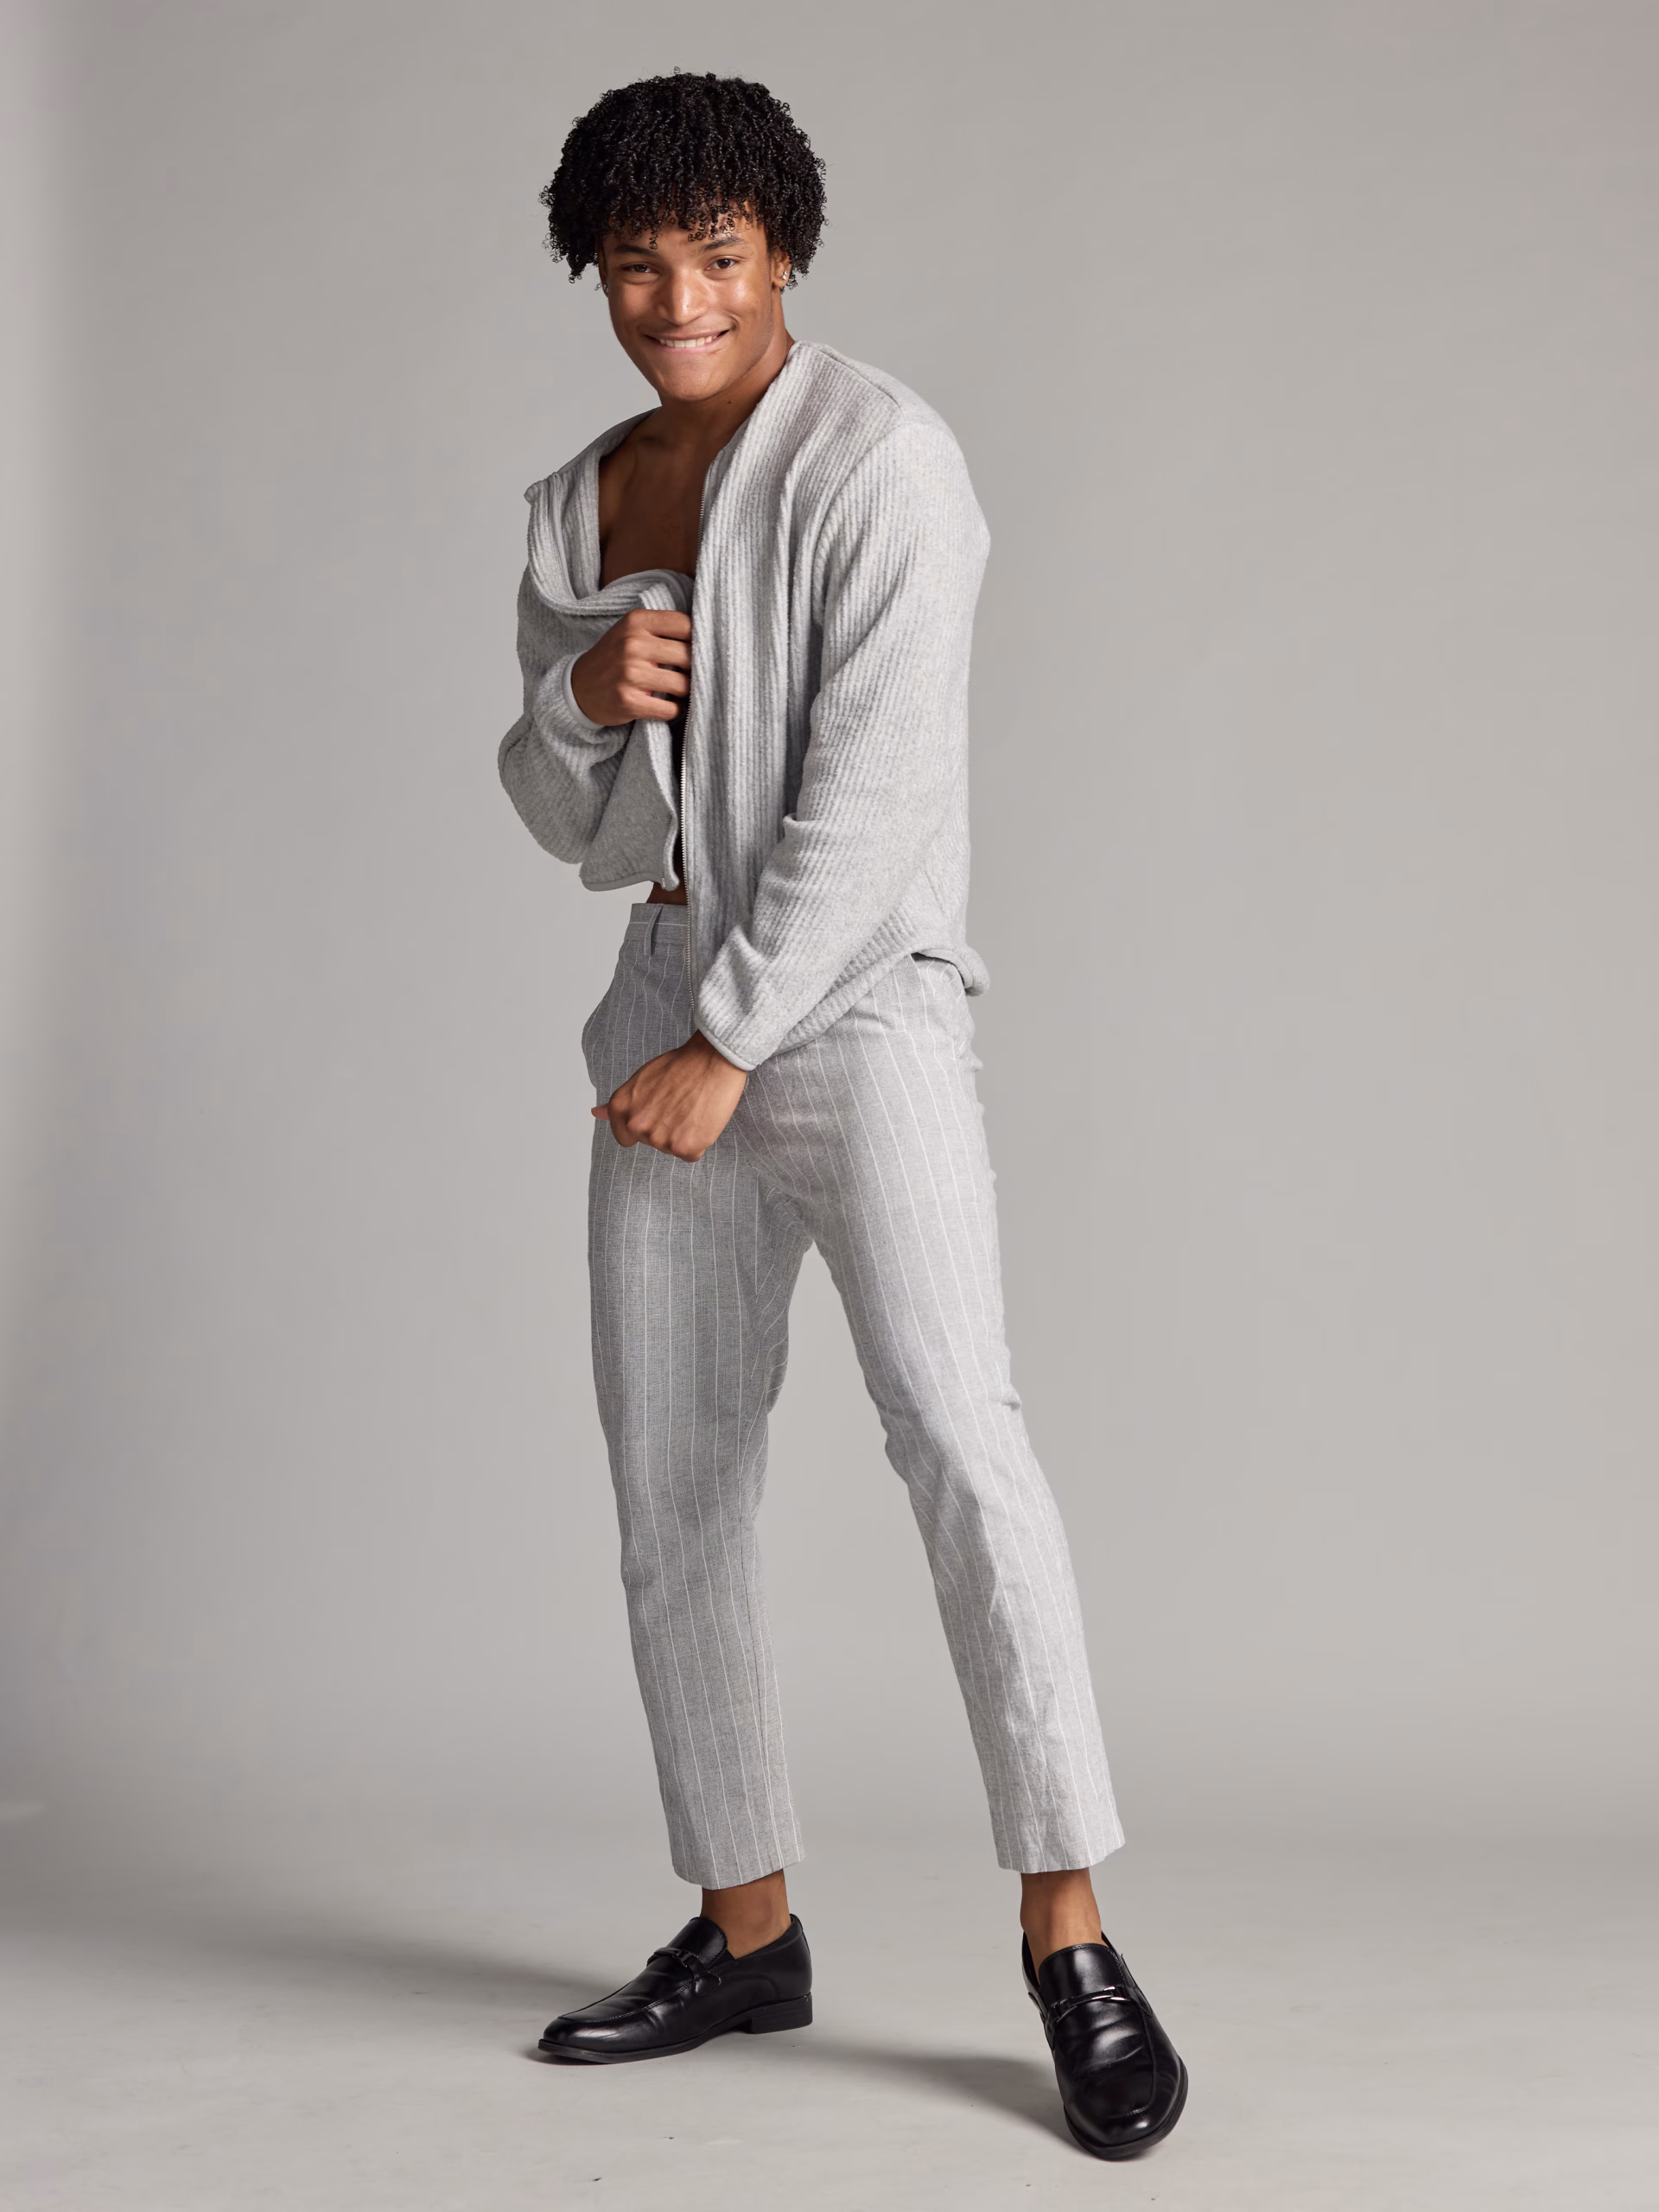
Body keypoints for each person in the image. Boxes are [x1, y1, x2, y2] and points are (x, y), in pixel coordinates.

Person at [499, 70, 1187, 2159]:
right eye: (638, 262)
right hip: (662, 1019)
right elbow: (573, 825)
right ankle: (747, 1926)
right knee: (671, 1491)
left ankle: (1071, 1935)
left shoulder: (885, 458)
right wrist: (574, 705)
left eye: (717, 254)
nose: (680, 298)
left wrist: (732, 1034)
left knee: (963, 1438)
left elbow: (878, 797)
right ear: (596, 272)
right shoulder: (580, 502)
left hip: (859, 1014)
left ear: (784, 251)